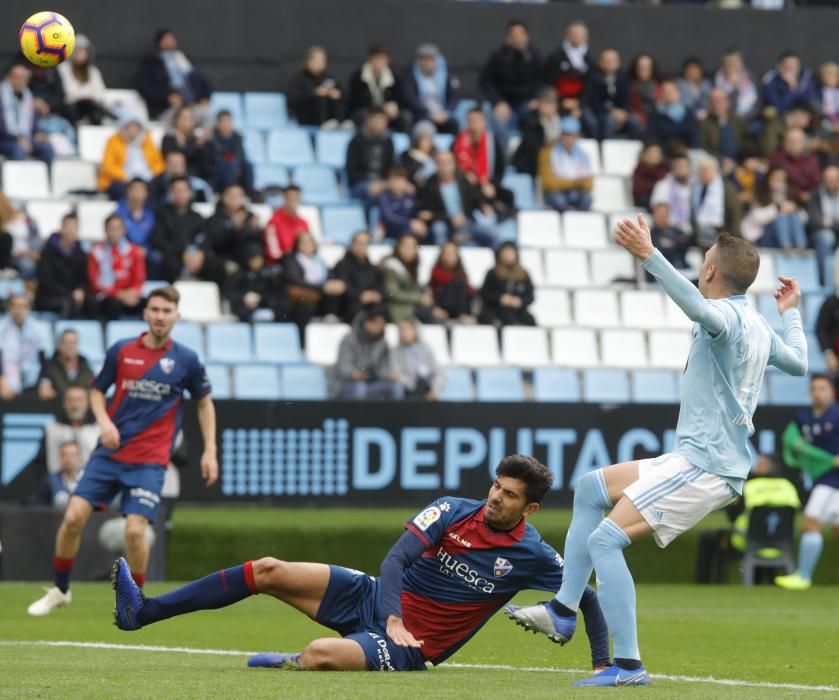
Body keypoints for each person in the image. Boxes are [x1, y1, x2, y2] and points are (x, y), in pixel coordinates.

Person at [506, 220, 807, 686]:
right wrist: (790, 312)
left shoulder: (724, 317)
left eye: (704, 259)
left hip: (706, 467)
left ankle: (628, 666)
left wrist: (648, 254)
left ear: (709, 271)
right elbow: (801, 362)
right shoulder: (759, 325)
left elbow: (695, 308)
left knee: (605, 540)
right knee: (590, 489)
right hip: (692, 458)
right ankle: (564, 610)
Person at [111, 455, 611, 675]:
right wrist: (390, 613)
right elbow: (397, 559)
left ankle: (292, 664)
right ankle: (144, 613)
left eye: (509, 496)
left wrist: (602, 662)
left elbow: (583, 594)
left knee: (320, 653)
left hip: (415, 648)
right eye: (496, 487)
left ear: (531, 509)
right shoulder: (454, 509)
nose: (495, 499)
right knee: (267, 569)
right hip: (375, 599)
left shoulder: (533, 554)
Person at [27, 286, 218, 616]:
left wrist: (210, 450)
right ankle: (60, 589)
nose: (160, 316)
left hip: (149, 461)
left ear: (176, 316)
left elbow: (204, 403)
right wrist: (103, 422)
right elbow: (97, 391)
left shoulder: (186, 360)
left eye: (166, 311)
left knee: (134, 531)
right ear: (145, 313)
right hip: (110, 453)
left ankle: (135, 603)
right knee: (72, 518)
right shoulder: (122, 351)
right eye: (154, 310)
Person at [695, 453, 800, 584]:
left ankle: (707, 583)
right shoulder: (788, 487)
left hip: (745, 542)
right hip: (782, 544)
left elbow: (733, 517)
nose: (755, 467)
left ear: (769, 467)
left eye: (759, 464)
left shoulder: (749, 486)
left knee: (710, 538)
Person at [776, 375, 839, 590]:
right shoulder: (803, 417)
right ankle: (803, 576)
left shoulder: (837, 415)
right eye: (814, 388)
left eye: (822, 388)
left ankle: (803, 576)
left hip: (833, 480)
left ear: (831, 391)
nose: (818, 392)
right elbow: (790, 441)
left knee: (811, 520)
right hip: (824, 478)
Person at [418, 150, 497, 247]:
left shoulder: (464, 181)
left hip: (466, 221)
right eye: (441, 163)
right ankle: (443, 258)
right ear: (436, 165)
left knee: (493, 235)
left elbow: (476, 199)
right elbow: (427, 214)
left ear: (454, 164)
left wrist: (483, 205)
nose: (445, 167)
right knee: (438, 229)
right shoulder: (428, 185)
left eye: (448, 162)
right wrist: (450, 218)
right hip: (443, 223)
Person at [479, 20, 543, 139]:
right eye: (513, 35)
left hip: (526, 103)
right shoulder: (498, 56)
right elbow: (486, 82)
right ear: (508, 37)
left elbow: (540, 81)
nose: (517, 38)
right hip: (504, 103)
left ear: (526, 36)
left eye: (520, 34)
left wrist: (536, 99)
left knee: (534, 123)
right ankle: (503, 157)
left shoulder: (535, 56)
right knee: (499, 124)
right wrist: (498, 101)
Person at [27, 386, 100, 482]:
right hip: (57, 489)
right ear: (64, 403)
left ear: (88, 403)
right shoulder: (52, 430)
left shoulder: (98, 430)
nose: (75, 405)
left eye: (79, 400)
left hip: (90, 488)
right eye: (70, 400)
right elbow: (40, 463)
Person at [135, 29, 212, 121]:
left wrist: (205, 97)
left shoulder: (183, 59)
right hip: (166, 109)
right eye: (166, 39)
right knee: (182, 118)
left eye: (171, 39)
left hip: (192, 106)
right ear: (159, 42)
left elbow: (201, 80)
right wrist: (167, 97)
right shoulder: (151, 62)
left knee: (207, 114)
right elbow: (145, 87)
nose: (169, 42)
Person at [453, 108, 514, 219]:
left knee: (508, 195)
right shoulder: (458, 141)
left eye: (477, 120)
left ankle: (499, 213)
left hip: (488, 183)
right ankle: (485, 208)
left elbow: (500, 167)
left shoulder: (491, 141)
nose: (474, 123)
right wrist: (464, 174)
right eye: (471, 120)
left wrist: (492, 184)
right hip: (467, 185)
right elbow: (452, 165)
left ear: (484, 122)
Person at [334, 306, 402, 400]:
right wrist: (354, 374)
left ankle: (394, 414)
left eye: (382, 323)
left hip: (372, 382)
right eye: (376, 322)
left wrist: (388, 375)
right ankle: (357, 415)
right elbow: (343, 366)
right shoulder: (349, 339)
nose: (379, 326)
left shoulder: (383, 343)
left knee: (396, 387)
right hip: (348, 383)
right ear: (366, 323)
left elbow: (383, 368)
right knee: (359, 388)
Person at [87, 214, 147, 321]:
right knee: (112, 304)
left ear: (124, 230)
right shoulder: (96, 252)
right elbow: (95, 283)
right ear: (105, 230)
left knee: (148, 304)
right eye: (111, 229)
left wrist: (133, 292)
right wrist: (118, 294)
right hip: (107, 297)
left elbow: (139, 278)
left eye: (118, 228)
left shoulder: (134, 251)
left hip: (129, 295)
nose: (115, 232)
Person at [150, 176, 208, 284]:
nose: (180, 194)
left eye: (183, 190)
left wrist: (200, 253)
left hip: (195, 256)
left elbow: (205, 238)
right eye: (176, 191)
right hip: (173, 256)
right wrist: (182, 252)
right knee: (169, 263)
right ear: (170, 194)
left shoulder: (197, 217)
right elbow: (158, 240)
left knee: (213, 265)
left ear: (190, 193)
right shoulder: (162, 214)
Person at [283, 231, 346, 331]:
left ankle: (330, 319)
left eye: (310, 242)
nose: (307, 245)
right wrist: (321, 287)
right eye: (304, 242)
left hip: (321, 296)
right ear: (297, 245)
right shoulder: (291, 259)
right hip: (302, 298)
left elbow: (329, 277)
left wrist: (334, 284)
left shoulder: (320, 260)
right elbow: (295, 279)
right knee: (303, 307)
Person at [203, 184, 263, 287]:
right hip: (222, 259)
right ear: (223, 197)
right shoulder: (213, 219)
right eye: (232, 195)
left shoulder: (250, 217)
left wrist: (256, 230)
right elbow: (215, 244)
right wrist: (232, 227)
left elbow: (254, 241)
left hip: (245, 258)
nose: (235, 199)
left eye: (239, 195)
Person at [98, 114, 165, 201]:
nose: (132, 130)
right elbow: (107, 166)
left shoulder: (147, 140)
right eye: (129, 126)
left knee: (157, 188)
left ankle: (148, 213)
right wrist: (126, 176)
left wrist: (150, 174)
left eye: (136, 127)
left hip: (146, 179)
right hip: (122, 179)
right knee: (121, 189)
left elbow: (159, 163)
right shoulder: (113, 141)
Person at [34, 213, 89, 318]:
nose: (71, 231)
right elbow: (46, 280)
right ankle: (66, 332)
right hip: (48, 296)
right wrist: (69, 293)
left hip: (71, 295)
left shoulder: (81, 253)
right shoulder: (48, 251)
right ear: (61, 228)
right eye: (68, 227)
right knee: (68, 303)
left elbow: (84, 279)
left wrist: (81, 290)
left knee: (91, 302)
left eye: (74, 227)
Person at [0, 63, 54, 166]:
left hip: (26, 139)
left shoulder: (28, 96)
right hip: (5, 140)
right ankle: (16, 182)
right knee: (18, 150)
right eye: (17, 77)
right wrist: (17, 139)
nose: (21, 81)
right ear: (8, 77)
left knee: (47, 149)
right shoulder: (2, 96)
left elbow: (32, 125)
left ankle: (47, 180)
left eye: (24, 77)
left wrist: (38, 134)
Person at [742, 168, 807, 250]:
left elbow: (805, 218)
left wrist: (794, 208)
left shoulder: (790, 195)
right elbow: (756, 218)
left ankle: (800, 246)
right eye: (776, 178)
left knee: (793, 215)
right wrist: (777, 208)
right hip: (763, 236)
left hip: (789, 236)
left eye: (782, 179)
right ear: (769, 178)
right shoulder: (761, 194)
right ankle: (786, 246)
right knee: (781, 217)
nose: (778, 181)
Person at [401, 44, 460, 135]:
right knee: (424, 128)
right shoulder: (411, 76)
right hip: (421, 114)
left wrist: (446, 112)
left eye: (430, 59)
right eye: (424, 59)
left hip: (442, 114)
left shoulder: (445, 75)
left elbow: (454, 96)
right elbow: (410, 98)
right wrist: (428, 113)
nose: (427, 63)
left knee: (454, 124)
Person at [347, 44, 407, 132]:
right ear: (370, 59)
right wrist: (380, 108)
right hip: (367, 111)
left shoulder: (394, 78)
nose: (379, 62)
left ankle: (400, 142)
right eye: (376, 58)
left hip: (387, 114)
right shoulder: (358, 77)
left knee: (405, 117)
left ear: (387, 60)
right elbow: (355, 101)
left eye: (382, 58)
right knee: (363, 115)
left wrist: (394, 108)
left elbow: (401, 99)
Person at [0, 293, 49, 400]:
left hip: (33, 376)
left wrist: (45, 381)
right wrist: (1, 380)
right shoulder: (1, 327)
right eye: (15, 306)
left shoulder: (39, 328)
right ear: (10, 308)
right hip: (6, 378)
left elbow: (44, 358)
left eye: (22, 306)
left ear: (29, 308)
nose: (18, 311)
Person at [326, 230, 383, 323]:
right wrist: (361, 296)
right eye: (359, 243)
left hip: (370, 306)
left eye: (365, 243)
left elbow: (378, 286)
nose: (362, 247)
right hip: (348, 306)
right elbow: (342, 287)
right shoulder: (342, 264)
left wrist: (375, 295)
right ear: (352, 244)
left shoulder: (373, 268)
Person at [583, 48, 639, 141]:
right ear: (600, 62)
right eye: (607, 60)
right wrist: (611, 111)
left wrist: (624, 112)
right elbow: (594, 102)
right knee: (609, 121)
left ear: (619, 62)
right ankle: (607, 149)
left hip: (621, 112)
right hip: (601, 113)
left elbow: (627, 99)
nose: (610, 63)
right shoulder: (593, 78)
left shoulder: (624, 78)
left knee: (635, 121)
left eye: (613, 60)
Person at [539, 116, 593, 213]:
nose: (569, 139)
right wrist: (573, 183)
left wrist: (575, 183)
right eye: (566, 135)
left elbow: (589, 183)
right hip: (556, 193)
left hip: (575, 193)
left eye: (572, 135)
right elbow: (549, 183)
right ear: (561, 135)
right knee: (559, 200)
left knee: (586, 199)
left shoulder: (582, 154)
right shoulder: (548, 152)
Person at [379, 234, 436, 323]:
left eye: (412, 246)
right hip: (397, 309)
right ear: (398, 247)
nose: (408, 250)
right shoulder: (390, 266)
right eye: (405, 246)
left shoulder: (416, 266)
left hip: (412, 307)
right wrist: (420, 298)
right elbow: (392, 293)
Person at [57, 34, 111, 125]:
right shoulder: (63, 69)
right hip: (71, 109)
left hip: (91, 107)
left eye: (84, 50)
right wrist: (84, 97)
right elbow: (67, 93)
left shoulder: (93, 71)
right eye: (78, 50)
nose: (81, 54)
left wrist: (87, 98)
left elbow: (100, 93)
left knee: (95, 111)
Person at [478, 242, 535, 327]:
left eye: (510, 252)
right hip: (496, 310)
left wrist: (519, 301)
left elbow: (530, 296)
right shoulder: (493, 273)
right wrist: (500, 299)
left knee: (530, 321)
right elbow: (485, 294)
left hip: (518, 312)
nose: (508, 255)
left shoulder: (524, 274)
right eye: (505, 252)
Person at [346, 107, 395, 206]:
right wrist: (370, 184)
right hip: (360, 184)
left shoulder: (388, 142)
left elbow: (392, 166)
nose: (378, 123)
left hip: (382, 182)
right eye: (375, 119)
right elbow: (351, 170)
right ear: (368, 120)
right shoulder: (356, 141)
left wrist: (387, 183)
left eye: (381, 120)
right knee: (374, 194)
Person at [287, 46, 345, 129]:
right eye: (316, 62)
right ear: (308, 62)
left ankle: (339, 122)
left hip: (330, 119)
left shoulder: (328, 77)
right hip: (306, 117)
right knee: (319, 97)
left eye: (322, 62)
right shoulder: (299, 79)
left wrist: (334, 93)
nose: (319, 65)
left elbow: (341, 93)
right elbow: (293, 101)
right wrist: (314, 93)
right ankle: (323, 124)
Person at [691, 158, 741, 249]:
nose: (703, 174)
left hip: (722, 234)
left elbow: (734, 212)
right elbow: (693, 211)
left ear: (714, 171)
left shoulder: (726, 188)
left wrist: (732, 236)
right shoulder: (696, 189)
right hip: (701, 235)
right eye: (701, 171)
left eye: (706, 170)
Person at [543, 21, 590, 113]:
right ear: (567, 35)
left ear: (586, 38)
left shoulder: (590, 60)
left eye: (580, 35)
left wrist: (578, 103)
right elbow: (549, 82)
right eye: (573, 34)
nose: (576, 37)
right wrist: (561, 101)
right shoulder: (555, 57)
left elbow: (590, 85)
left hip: (581, 103)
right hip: (557, 101)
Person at [225, 252, 286, 323]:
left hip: (264, 306)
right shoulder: (239, 275)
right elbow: (229, 293)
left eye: (258, 259)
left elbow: (274, 293)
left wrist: (260, 298)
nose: (256, 262)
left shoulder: (268, 275)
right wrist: (244, 298)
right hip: (244, 308)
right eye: (253, 259)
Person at [513, 87, 561, 177]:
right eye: (546, 103)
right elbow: (534, 149)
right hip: (532, 165)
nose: (549, 107)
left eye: (552, 103)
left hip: (556, 162)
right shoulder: (531, 122)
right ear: (539, 104)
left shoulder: (560, 120)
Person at [38, 329, 95, 402]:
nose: (70, 347)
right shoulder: (48, 367)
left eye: (74, 343)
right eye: (67, 343)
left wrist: (58, 393)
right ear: (58, 345)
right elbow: (45, 393)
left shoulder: (86, 367)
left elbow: (92, 392)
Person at [768, 127, 821, 204]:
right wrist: (798, 194)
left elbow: (817, 182)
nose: (794, 144)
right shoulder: (777, 159)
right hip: (785, 199)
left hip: (811, 199)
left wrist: (810, 194)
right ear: (784, 143)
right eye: (790, 141)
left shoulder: (813, 160)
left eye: (798, 141)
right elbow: (773, 182)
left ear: (804, 143)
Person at [394, 318, 443, 401]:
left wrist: (435, 390)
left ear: (415, 330)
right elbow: (396, 375)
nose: (403, 332)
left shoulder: (426, 349)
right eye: (401, 329)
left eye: (407, 329)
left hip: (428, 389)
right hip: (408, 391)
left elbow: (439, 373)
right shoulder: (395, 352)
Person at [208, 110, 254, 195]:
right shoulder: (212, 140)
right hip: (219, 170)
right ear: (217, 123)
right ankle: (228, 193)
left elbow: (241, 156)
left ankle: (250, 193)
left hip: (236, 167)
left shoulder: (237, 138)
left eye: (228, 120)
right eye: (223, 121)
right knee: (230, 164)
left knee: (248, 165)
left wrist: (236, 164)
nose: (226, 124)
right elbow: (213, 159)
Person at [807, 165, 839, 286]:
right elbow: (814, 221)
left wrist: (829, 222)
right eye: (828, 178)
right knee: (826, 236)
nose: (831, 182)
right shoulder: (816, 195)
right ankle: (826, 279)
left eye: (834, 178)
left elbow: (825, 221)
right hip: (818, 235)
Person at [699, 89, 746, 171]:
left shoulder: (738, 120)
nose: (716, 105)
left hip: (740, 161)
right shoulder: (704, 124)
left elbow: (747, 141)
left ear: (727, 102)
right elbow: (703, 148)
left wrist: (746, 159)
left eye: (719, 101)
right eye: (713, 102)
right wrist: (720, 160)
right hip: (717, 164)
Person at [149, 148, 213, 207]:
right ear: (166, 165)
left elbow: (208, 197)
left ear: (185, 165)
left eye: (179, 164)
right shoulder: (155, 183)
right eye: (173, 164)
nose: (176, 167)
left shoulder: (195, 182)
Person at [429, 241, 475, 323]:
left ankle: (463, 314)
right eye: (446, 253)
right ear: (441, 256)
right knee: (457, 284)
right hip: (441, 305)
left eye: (452, 253)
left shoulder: (461, 273)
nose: (449, 256)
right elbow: (447, 280)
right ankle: (462, 314)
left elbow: (469, 290)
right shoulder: (436, 270)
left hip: (456, 305)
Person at [160, 105, 210, 179]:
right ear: (177, 120)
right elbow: (170, 160)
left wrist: (200, 144)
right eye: (184, 118)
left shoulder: (197, 137)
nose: (188, 121)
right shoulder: (169, 137)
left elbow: (204, 164)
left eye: (191, 118)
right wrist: (182, 146)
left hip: (196, 176)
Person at [377, 168, 427, 241]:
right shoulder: (384, 197)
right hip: (391, 230)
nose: (399, 183)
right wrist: (410, 223)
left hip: (411, 230)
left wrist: (421, 222)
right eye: (396, 180)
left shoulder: (410, 197)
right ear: (389, 182)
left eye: (402, 180)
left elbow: (416, 214)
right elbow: (389, 218)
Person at [263, 185, 310, 264]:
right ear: (284, 199)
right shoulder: (273, 221)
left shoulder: (303, 223)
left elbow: (308, 246)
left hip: (301, 262)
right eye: (290, 199)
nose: (293, 202)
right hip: (282, 263)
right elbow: (273, 252)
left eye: (296, 199)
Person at [762, 51, 818, 116]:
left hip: (803, 116)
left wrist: (795, 87)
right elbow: (778, 106)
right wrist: (792, 89)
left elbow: (812, 100)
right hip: (781, 116)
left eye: (795, 67)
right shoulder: (770, 81)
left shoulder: (806, 78)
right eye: (788, 67)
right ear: (780, 67)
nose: (792, 70)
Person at [649, 78, 699, 151]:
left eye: (671, 90)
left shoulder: (688, 113)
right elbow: (652, 138)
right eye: (664, 91)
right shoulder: (655, 114)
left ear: (678, 93)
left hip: (685, 153)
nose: (668, 93)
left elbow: (694, 137)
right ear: (661, 94)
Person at [650, 152, 693, 235]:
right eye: (679, 166)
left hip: (690, 229)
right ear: (673, 168)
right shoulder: (662, 185)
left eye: (684, 166)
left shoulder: (695, 185)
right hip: (668, 229)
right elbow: (659, 210)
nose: (682, 169)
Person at [32, 440, 83, 509]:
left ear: (79, 457)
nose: (68, 459)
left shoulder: (88, 481)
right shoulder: (49, 481)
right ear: (59, 457)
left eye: (72, 455)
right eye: (64, 455)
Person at [648, 203, 692, 276]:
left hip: (680, 268)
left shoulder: (677, 232)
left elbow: (686, 245)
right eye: (659, 215)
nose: (662, 217)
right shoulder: (649, 234)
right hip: (659, 270)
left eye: (664, 215)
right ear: (654, 215)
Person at [714, 49, 759, 120]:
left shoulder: (750, 76)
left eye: (734, 63)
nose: (730, 66)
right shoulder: (718, 79)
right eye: (727, 64)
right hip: (727, 118)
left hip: (748, 117)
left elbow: (757, 102)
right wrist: (734, 87)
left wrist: (746, 116)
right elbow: (722, 103)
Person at [116, 178, 156, 251]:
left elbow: (152, 238)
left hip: (144, 251)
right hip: (124, 250)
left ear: (146, 193)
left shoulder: (150, 215)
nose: (137, 193)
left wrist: (146, 248)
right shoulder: (118, 213)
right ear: (128, 192)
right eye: (134, 189)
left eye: (140, 190)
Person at [627, 53, 660, 129]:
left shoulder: (659, 85)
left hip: (655, 116)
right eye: (641, 66)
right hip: (636, 116)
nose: (644, 69)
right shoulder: (629, 85)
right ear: (635, 68)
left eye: (647, 66)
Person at [400, 120, 437, 188]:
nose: (427, 141)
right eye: (424, 137)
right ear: (417, 139)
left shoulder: (436, 156)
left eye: (429, 138)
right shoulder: (407, 155)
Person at [631, 142, 668, 209]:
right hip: (645, 203)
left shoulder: (666, 170)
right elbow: (638, 189)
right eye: (651, 152)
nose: (654, 155)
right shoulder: (638, 170)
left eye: (657, 153)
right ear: (644, 155)